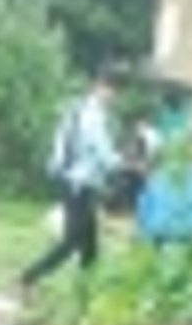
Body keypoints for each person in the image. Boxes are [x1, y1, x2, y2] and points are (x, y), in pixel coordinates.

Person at [22, 77, 119, 287]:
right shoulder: (93, 116)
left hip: (71, 180)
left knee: (90, 247)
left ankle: (86, 291)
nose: (112, 97)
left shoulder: (75, 109)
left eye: (114, 92)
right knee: (71, 242)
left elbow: (60, 145)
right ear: (98, 88)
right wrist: (124, 165)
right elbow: (103, 153)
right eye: (109, 90)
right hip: (79, 185)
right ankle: (29, 277)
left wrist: (58, 169)